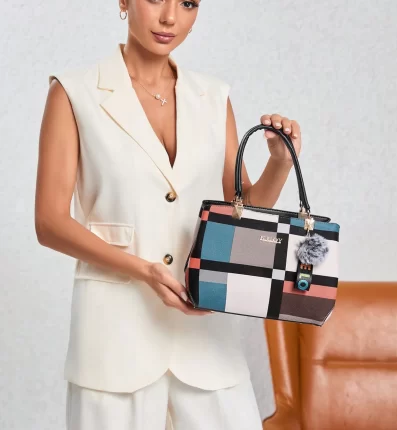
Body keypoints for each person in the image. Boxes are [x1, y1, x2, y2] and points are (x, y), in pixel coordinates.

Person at [35, 0, 302, 429]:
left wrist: (280, 163)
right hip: (114, 341)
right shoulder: (74, 92)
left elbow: (242, 215)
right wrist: (144, 271)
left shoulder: (213, 97)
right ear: (123, 2)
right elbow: (49, 223)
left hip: (207, 339)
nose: (170, 18)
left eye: (188, 3)